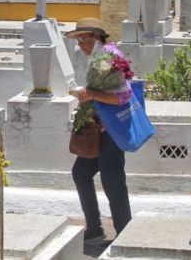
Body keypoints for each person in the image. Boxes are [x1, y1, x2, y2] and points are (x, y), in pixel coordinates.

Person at [65, 17, 133, 245]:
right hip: (98, 131)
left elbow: (123, 97)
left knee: (113, 183)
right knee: (81, 173)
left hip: (111, 132)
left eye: (82, 40)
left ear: (95, 37)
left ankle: (125, 236)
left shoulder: (108, 59)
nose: (80, 46)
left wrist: (91, 95)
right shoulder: (100, 59)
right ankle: (94, 229)